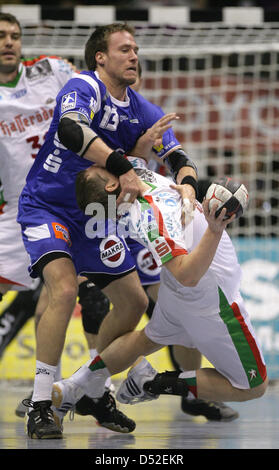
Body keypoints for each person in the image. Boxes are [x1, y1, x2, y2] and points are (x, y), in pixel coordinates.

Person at [17, 22, 198, 439]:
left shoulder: (141, 108)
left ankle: (89, 388)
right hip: (49, 205)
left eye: (136, 49)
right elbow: (71, 130)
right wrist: (123, 164)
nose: (135, 56)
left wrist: (187, 182)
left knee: (133, 303)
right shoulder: (83, 87)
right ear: (101, 56)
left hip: (95, 215)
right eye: (125, 49)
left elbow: (177, 154)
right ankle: (42, 403)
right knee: (62, 290)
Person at [48, 157, 267, 420]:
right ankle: (151, 383)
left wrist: (188, 184)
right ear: (111, 185)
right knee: (254, 386)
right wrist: (215, 228)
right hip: (210, 300)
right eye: (104, 168)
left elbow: (176, 158)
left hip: (177, 294)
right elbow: (187, 275)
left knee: (148, 337)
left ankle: (75, 383)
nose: (111, 161)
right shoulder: (150, 216)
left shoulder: (134, 177)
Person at [0, 13, 115, 428]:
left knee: (84, 292)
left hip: (68, 201)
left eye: (15, 36)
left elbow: (94, 98)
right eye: (1, 36)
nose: (9, 42)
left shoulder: (52, 71)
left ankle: (88, 392)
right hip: (17, 207)